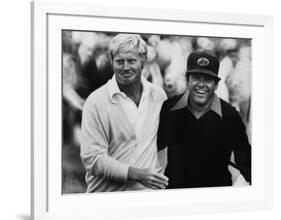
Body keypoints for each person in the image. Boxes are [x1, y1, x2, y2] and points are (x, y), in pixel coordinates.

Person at [80, 33, 169, 192]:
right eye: (120, 61)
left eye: (132, 61)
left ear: (143, 62)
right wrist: (136, 174)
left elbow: (163, 144)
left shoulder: (158, 96)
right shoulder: (96, 102)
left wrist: (160, 177)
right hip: (107, 198)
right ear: (112, 62)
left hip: (148, 199)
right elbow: (92, 159)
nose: (126, 67)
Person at [157, 50, 251, 189]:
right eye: (196, 77)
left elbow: (247, 162)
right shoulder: (169, 109)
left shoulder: (230, 116)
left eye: (208, 79)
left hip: (216, 197)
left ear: (216, 85)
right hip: (176, 195)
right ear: (187, 80)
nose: (201, 84)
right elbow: (156, 145)